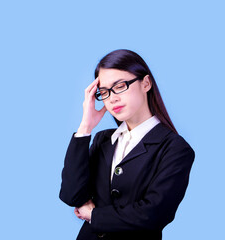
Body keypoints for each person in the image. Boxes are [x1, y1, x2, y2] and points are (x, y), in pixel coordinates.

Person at [59, 49, 195, 240]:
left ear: (146, 83)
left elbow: (153, 214)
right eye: (104, 92)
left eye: (120, 85)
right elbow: (71, 195)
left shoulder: (175, 148)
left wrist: (94, 215)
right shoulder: (103, 140)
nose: (112, 98)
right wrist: (85, 127)